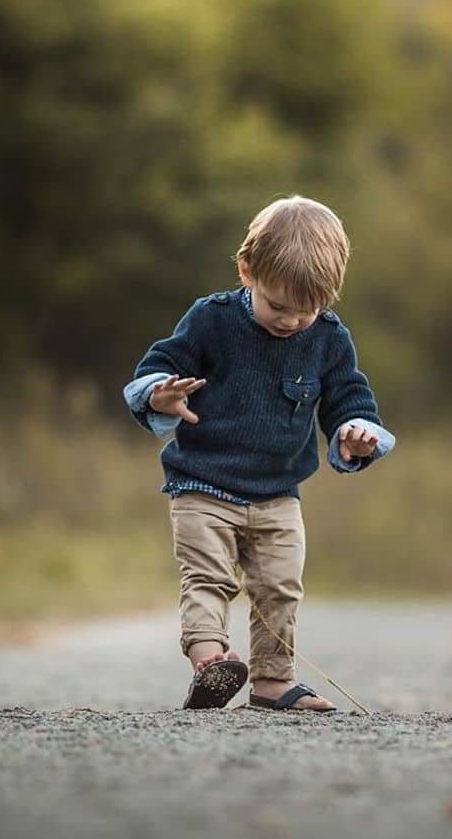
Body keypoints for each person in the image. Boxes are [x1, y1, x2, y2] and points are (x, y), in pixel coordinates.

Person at [123, 195, 395, 712]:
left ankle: (273, 682)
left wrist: (355, 432)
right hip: (202, 485)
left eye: (307, 310)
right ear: (247, 272)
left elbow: (348, 400)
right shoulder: (212, 319)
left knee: (280, 588)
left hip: (277, 495)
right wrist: (161, 392)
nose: (292, 321)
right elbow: (158, 364)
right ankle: (211, 662)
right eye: (278, 306)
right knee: (209, 577)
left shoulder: (330, 341)